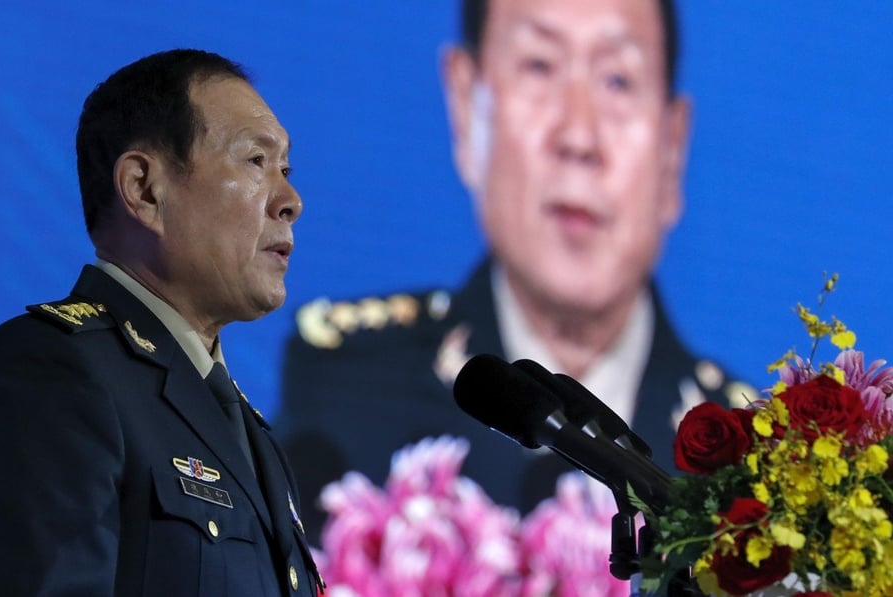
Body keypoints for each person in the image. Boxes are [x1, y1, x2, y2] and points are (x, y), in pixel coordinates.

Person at [275, 0, 753, 545]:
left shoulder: (744, 460)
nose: (579, 138)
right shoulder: (350, 392)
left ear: (672, 146)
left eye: (618, 81)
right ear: (464, 105)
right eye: (539, 67)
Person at [0, 49, 323, 596]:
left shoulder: (249, 433)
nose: (290, 200)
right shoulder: (49, 373)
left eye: (286, 169)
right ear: (144, 190)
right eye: (256, 161)